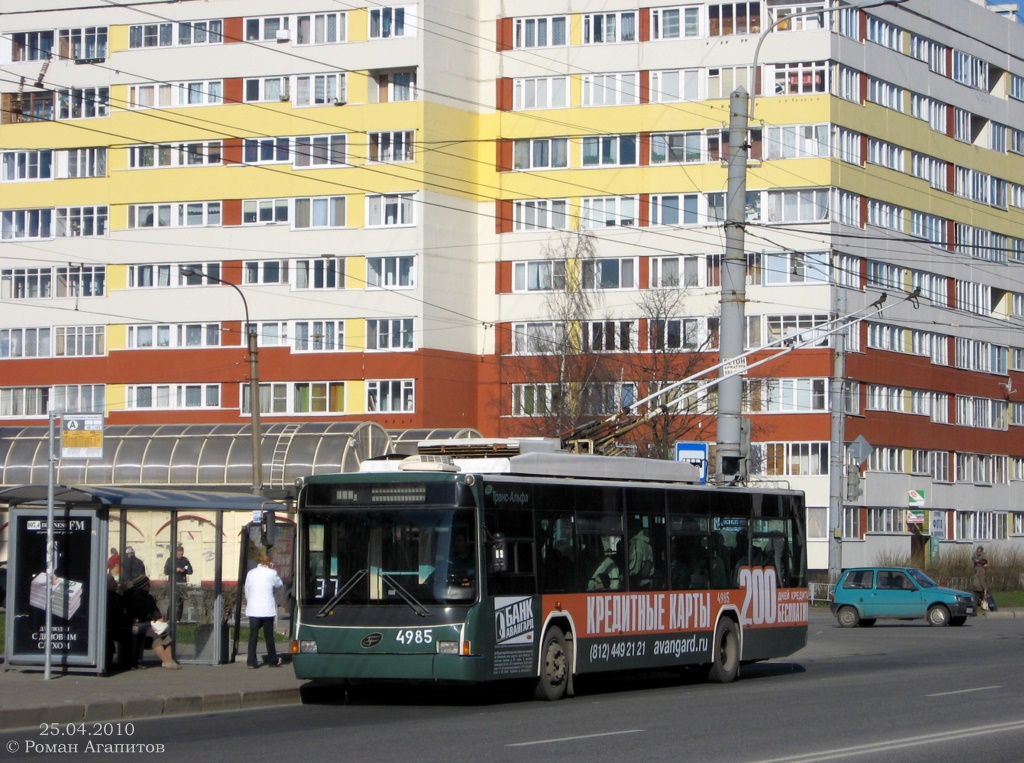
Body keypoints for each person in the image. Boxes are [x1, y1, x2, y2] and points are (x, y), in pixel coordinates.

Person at [123, 575, 181, 670]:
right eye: (148, 584)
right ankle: (165, 661)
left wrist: (158, 617)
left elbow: (154, 610)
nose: (150, 586)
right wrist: (154, 617)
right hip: (139, 624)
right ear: (143, 586)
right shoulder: (135, 597)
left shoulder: (148, 597)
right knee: (156, 637)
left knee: (165, 637)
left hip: (148, 624)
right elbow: (141, 612)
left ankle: (170, 660)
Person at [245, 550, 283, 669]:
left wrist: (250, 601)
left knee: (253, 636)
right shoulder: (271, 573)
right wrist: (273, 569)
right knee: (269, 636)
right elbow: (279, 584)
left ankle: (251, 661)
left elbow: (247, 590)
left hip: (253, 609)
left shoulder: (251, 573)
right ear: (269, 561)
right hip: (267, 609)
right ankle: (272, 659)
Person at [106, 573, 134, 672]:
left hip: (116, 625)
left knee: (127, 635)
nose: (116, 583)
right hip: (110, 626)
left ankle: (124, 663)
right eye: (113, 581)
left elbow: (129, 603)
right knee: (123, 636)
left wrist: (126, 591)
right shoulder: (107, 596)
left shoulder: (115, 596)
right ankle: (109, 663)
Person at [163, 545, 193, 623]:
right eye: (179, 554)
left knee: (180, 602)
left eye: (181, 554)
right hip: (173, 583)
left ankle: (178, 619)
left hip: (182, 583)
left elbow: (190, 570)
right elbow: (166, 571)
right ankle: (169, 618)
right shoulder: (170, 560)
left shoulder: (185, 560)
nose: (180, 556)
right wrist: (175, 569)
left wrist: (184, 570)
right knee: (173, 601)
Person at [972, 546, 988, 614]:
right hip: (980, 587)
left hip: (976, 586)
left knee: (976, 599)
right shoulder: (981, 570)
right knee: (987, 597)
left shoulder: (976, 570)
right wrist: (985, 588)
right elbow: (982, 580)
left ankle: (974, 610)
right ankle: (992, 608)